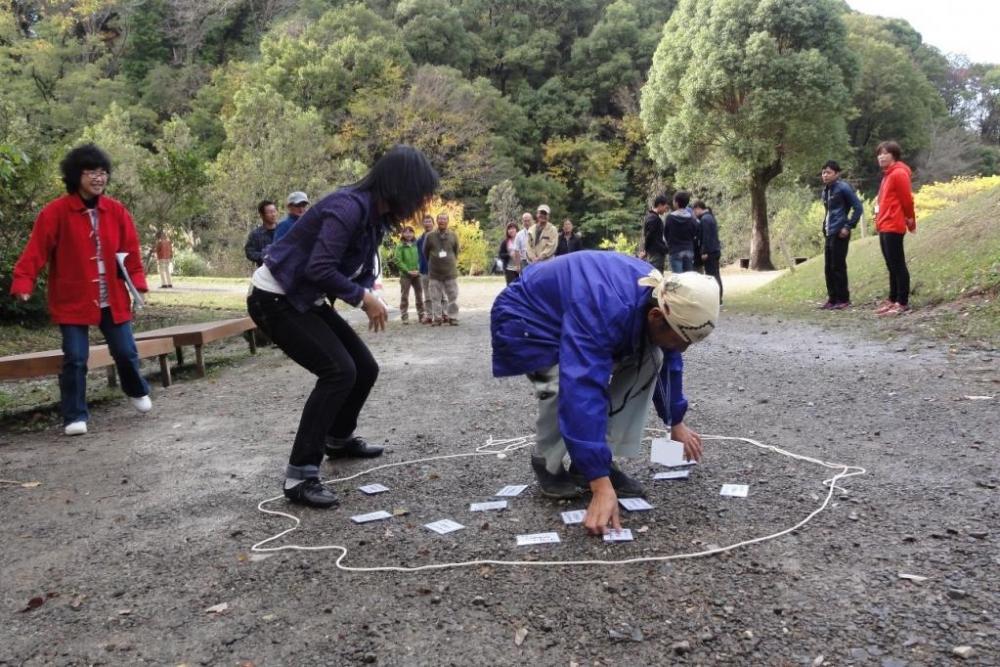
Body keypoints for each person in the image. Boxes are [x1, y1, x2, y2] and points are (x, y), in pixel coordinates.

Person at [246, 145, 439, 508]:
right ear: (401, 185)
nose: (423, 201)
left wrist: (365, 289)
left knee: (364, 368)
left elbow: (358, 264)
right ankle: (299, 475)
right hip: (274, 298)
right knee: (338, 372)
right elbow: (319, 267)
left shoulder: (377, 215)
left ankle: (338, 438)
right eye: (420, 191)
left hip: (304, 298)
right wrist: (362, 298)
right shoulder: (347, 206)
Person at [491, 252, 719, 535]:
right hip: (529, 319)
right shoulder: (604, 307)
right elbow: (582, 387)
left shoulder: (664, 300)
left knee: (655, 358)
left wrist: (676, 420)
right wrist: (599, 485)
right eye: (681, 342)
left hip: (580, 313)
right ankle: (547, 461)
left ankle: (596, 459)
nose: (682, 350)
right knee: (560, 383)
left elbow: (670, 358)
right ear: (655, 316)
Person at [10, 143, 152, 436]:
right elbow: (35, 251)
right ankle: (75, 415)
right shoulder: (55, 213)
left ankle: (136, 389)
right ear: (76, 176)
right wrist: (23, 281)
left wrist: (137, 283)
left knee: (125, 351)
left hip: (111, 296)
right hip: (72, 298)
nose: (98, 178)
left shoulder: (116, 211)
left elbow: (132, 253)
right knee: (75, 357)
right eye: (91, 173)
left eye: (103, 173)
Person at [874, 141, 916, 316]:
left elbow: (907, 200)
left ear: (894, 155)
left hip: (894, 224)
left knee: (897, 264)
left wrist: (910, 220)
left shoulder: (899, 173)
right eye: (879, 153)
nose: (881, 156)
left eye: (886, 153)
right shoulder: (887, 175)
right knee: (890, 264)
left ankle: (902, 301)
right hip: (884, 224)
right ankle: (892, 299)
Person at [818, 161, 863, 310]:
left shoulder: (843, 188)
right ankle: (832, 299)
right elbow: (829, 212)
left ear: (837, 174)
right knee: (828, 268)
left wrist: (848, 226)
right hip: (829, 232)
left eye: (829, 172)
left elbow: (858, 207)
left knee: (838, 266)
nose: (825, 175)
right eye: (823, 172)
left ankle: (843, 299)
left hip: (840, 232)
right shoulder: (825, 191)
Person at [422, 212, 460, 325]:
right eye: (440, 219)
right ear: (437, 221)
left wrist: (449, 260)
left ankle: (453, 317)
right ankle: (437, 318)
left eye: (444, 219)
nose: (442, 221)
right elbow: (425, 252)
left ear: (447, 221)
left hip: (450, 272)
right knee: (435, 297)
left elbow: (456, 251)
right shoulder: (430, 236)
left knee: (453, 297)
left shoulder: (453, 235)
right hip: (434, 272)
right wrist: (434, 261)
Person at [692, 201, 723, 304]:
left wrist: (704, 252)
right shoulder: (710, 217)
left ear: (697, 208)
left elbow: (706, 237)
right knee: (715, 274)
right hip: (715, 250)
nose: (694, 214)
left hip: (710, 252)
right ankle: (718, 297)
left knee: (712, 275)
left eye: (694, 211)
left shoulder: (705, 219)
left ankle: (717, 298)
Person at [394, 225, 424, 323]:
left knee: (419, 295)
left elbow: (422, 258)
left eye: (410, 232)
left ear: (413, 233)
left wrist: (418, 269)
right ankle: (404, 316)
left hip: (417, 275)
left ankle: (421, 315)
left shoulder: (417, 244)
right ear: (402, 234)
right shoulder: (400, 246)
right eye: (406, 232)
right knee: (404, 296)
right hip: (405, 275)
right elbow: (398, 261)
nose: (408, 234)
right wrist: (407, 271)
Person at [664, 191, 698, 273]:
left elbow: (666, 234)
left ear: (676, 202)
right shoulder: (692, 219)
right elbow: (695, 234)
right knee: (689, 278)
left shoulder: (670, 218)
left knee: (678, 279)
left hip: (675, 250)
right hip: (689, 250)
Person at [245, 200, 279, 267]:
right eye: (270, 212)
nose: (273, 214)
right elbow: (250, 253)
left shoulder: (283, 230)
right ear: (262, 215)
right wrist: (264, 256)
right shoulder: (255, 234)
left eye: (274, 211)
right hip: (264, 270)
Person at [416, 214, 435, 323]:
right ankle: (429, 315)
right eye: (425, 221)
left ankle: (442, 314)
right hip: (424, 270)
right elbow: (418, 255)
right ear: (423, 224)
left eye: (429, 221)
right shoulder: (419, 240)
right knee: (427, 295)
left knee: (440, 294)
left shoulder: (439, 236)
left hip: (437, 270)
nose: (427, 223)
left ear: (433, 223)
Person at [642, 194, 670, 271]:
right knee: (656, 275)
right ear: (660, 205)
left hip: (654, 251)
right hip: (656, 253)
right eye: (665, 207)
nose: (666, 210)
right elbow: (649, 236)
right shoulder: (654, 219)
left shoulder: (651, 217)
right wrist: (645, 250)